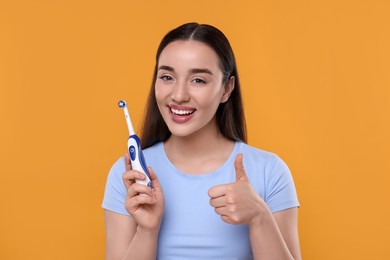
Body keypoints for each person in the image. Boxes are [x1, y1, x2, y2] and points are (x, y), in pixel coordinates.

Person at [102, 22, 301, 260]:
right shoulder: (129, 178)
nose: (178, 95)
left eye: (198, 80)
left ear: (227, 89)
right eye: (167, 77)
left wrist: (260, 217)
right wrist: (147, 230)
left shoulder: (270, 171)